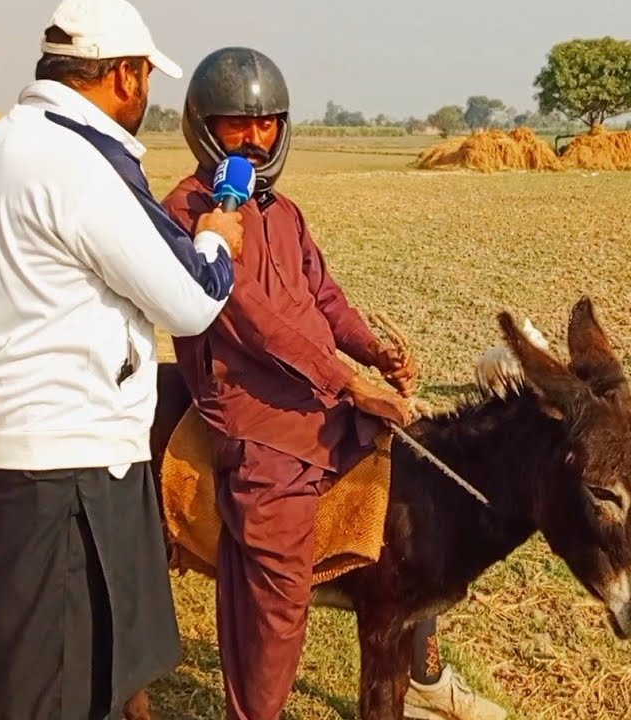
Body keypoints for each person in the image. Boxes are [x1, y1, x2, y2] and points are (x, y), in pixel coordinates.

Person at [160, 47, 507, 720]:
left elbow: (324, 294)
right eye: (238, 126)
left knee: (413, 516)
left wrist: (375, 353)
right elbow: (251, 321)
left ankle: (424, 680)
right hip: (261, 424)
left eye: (267, 125)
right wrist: (347, 383)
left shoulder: (283, 212)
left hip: (326, 399)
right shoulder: (192, 212)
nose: (256, 139)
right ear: (204, 127)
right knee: (280, 590)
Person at [0, 1, 244, 718]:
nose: (144, 96)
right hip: (71, 472)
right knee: (68, 689)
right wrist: (217, 237)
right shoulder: (77, 166)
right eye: (144, 78)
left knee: (25, 681)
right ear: (122, 77)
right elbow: (193, 301)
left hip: (2, 461)